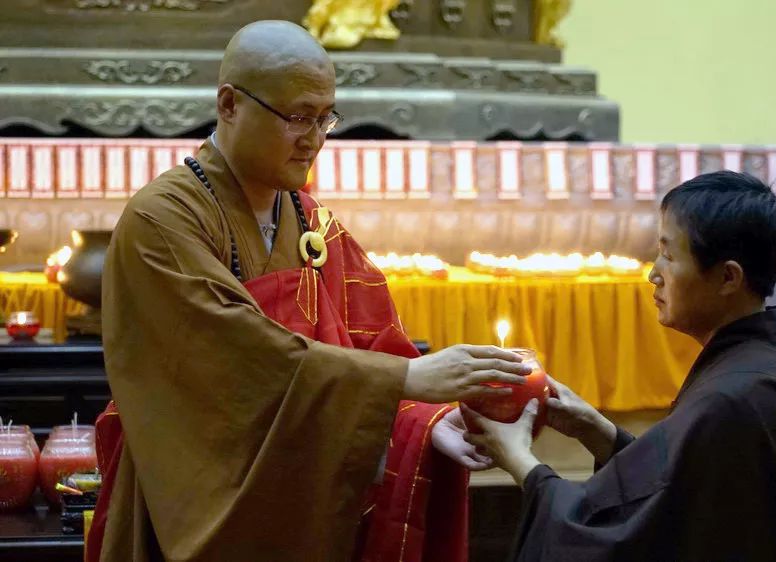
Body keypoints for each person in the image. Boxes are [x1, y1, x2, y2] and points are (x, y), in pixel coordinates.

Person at [88, 20, 528, 562]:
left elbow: (374, 345)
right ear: (229, 105)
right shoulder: (162, 221)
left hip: (311, 501)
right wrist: (408, 377)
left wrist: (424, 422)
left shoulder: (314, 223)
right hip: (202, 505)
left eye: (326, 118)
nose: (315, 138)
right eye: (298, 117)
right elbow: (234, 355)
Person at [464, 171, 776, 561]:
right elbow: (686, 493)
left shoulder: (734, 396)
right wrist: (597, 431)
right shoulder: (770, 361)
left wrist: (521, 462)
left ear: (728, 277)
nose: (653, 273)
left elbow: (622, 540)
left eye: (670, 256)